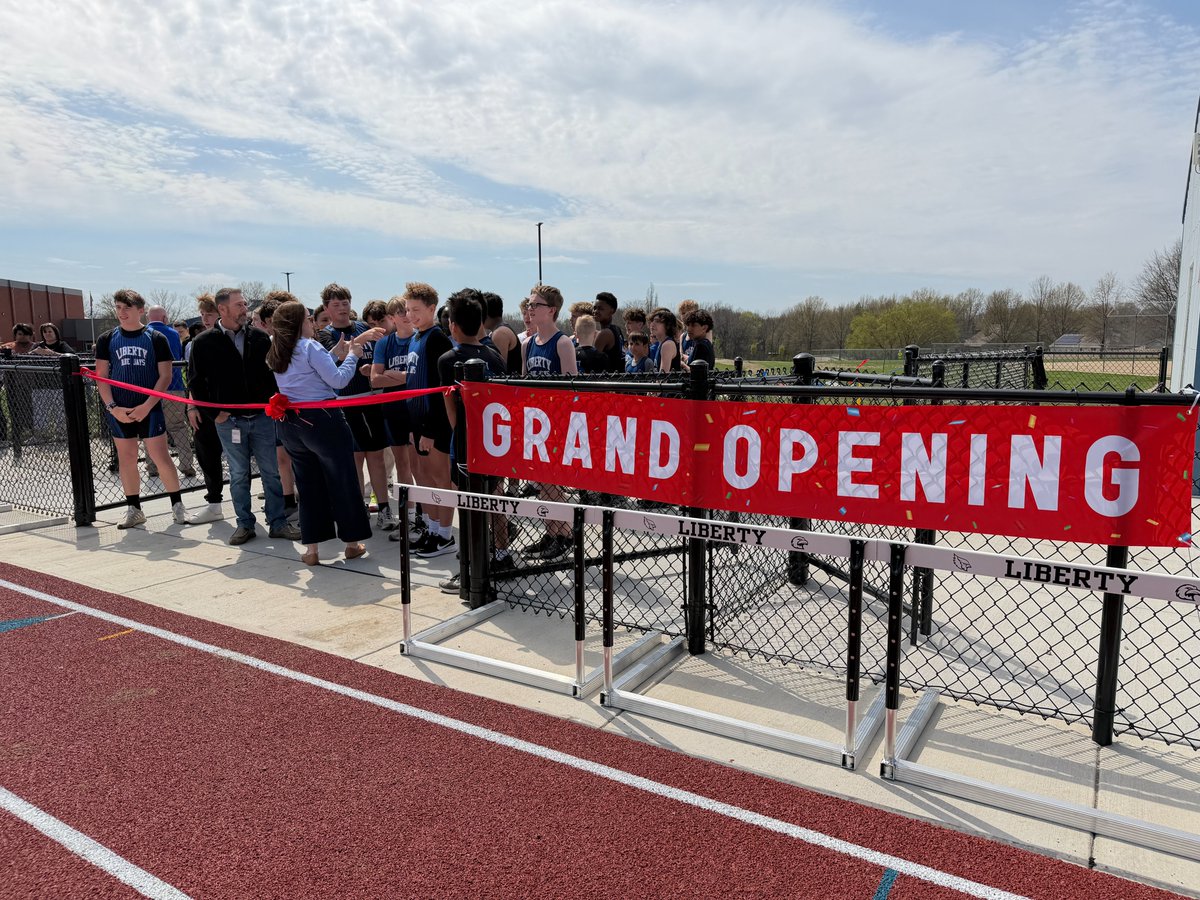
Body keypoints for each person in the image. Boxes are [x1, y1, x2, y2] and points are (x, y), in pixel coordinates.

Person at [267, 298, 380, 565]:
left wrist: (334, 355)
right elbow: (338, 380)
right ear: (299, 323)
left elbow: (306, 374)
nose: (312, 322)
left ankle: (312, 549)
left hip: (291, 422)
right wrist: (352, 355)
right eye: (307, 318)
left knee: (307, 485)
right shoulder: (309, 346)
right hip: (322, 420)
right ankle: (352, 542)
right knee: (343, 479)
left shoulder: (277, 349)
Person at [188, 286, 300, 546]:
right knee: (238, 475)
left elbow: (273, 376)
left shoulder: (259, 338)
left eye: (244, 304)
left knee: (271, 472)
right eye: (239, 304)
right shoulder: (203, 343)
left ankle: (278, 522)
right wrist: (214, 414)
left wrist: (274, 405)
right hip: (229, 422)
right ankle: (245, 524)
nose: (244, 309)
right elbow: (196, 382)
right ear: (223, 309)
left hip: (262, 418)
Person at [93, 290, 188, 529]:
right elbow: (101, 376)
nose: (122, 312)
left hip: (149, 407)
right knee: (127, 458)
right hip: (120, 408)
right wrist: (112, 407)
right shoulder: (107, 339)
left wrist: (147, 406)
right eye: (118, 307)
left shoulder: (156, 337)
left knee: (160, 456)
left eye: (127, 307)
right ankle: (134, 509)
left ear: (140, 310)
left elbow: (165, 376)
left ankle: (177, 505)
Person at [436, 290, 510, 589]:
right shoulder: (495, 357)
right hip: (496, 443)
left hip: (468, 447)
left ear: (452, 326)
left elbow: (451, 408)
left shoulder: (448, 360)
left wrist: (461, 438)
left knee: (468, 505)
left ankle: (470, 566)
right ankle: (501, 553)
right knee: (494, 500)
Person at [316, 284, 394, 531]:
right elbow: (335, 358)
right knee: (354, 459)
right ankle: (359, 509)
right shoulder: (324, 335)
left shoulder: (362, 327)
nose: (342, 308)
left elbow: (382, 356)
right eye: (336, 304)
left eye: (345, 303)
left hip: (370, 400)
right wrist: (361, 340)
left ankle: (384, 509)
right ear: (327, 308)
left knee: (377, 457)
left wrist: (374, 370)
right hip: (344, 403)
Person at [522, 283, 577, 559]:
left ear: (552, 310)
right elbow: (523, 385)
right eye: (529, 304)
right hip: (534, 423)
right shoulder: (527, 344)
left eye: (536, 305)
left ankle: (565, 535)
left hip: (556, 423)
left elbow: (572, 388)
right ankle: (551, 532)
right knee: (540, 483)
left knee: (553, 483)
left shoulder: (563, 343)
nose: (530, 309)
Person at [403, 281, 456, 557]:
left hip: (434, 425)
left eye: (416, 309)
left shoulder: (437, 339)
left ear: (432, 308)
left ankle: (445, 535)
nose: (410, 315)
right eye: (407, 309)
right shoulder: (415, 338)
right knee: (424, 478)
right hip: (417, 423)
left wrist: (430, 430)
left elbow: (440, 391)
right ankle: (433, 529)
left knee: (440, 479)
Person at [371, 296, 418, 538]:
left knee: (419, 466)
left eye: (407, 311)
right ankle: (408, 517)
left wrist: (394, 374)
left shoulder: (419, 339)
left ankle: (424, 517)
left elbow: (420, 377)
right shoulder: (385, 344)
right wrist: (406, 376)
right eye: (400, 312)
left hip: (416, 410)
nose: (406, 316)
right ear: (391, 318)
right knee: (402, 465)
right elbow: (375, 379)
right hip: (393, 410)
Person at [183, 294, 225, 523]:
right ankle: (214, 503)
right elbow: (193, 378)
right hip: (204, 408)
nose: (205, 319)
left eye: (209, 314)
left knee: (240, 460)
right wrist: (192, 406)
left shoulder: (232, 338)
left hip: (230, 407)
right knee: (206, 455)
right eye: (202, 314)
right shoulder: (195, 343)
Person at [257, 294, 299, 522]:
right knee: (281, 458)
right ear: (265, 323)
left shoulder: (299, 344)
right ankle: (288, 500)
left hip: (299, 408)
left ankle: (308, 499)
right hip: (276, 409)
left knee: (301, 456)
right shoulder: (265, 344)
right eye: (272, 320)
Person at [145, 305, 197, 479]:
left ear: (148, 318)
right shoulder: (174, 334)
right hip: (174, 386)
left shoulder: (143, 334)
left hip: (150, 389)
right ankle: (186, 464)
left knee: (151, 428)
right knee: (178, 426)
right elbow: (178, 355)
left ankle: (152, 466)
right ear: (165, 318)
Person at [481, 292, 521, 375]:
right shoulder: (499, 330)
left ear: (485, 313)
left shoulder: (500, 333)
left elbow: (499, 369)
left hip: (511, 382)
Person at [593, 292, 624, 372]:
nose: (596, 311)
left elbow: (592, 362)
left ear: (612, 311)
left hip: (607, 377)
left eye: (600, 309)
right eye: (594, 308)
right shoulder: (617, 329)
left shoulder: (604, 334)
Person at [649, 308, 681, 373]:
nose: (652, 324)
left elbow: (663, 375)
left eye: (657, 321)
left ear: (668, 326)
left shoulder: (668, 344)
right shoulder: (661, 343)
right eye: (652, 321)